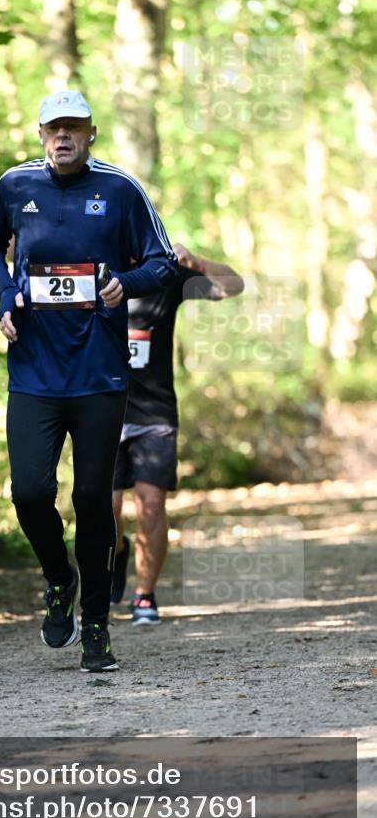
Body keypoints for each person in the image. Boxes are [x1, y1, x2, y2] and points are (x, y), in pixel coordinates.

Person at [0, 89, 180, 672]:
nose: (63, 137)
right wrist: (7, 296)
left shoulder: (120, 190)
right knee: (30, 493)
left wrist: (126, 284)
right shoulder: (15, 187)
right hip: (34, 370)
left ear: (91, 134)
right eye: (53, 128)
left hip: (99, 373)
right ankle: (58, 578)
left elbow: (162, 261)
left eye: (74, 128)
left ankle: (95, 627)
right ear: (41, 135)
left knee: (94, 500)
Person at [111, 242, 244, 623]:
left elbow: (234, 285)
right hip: (103, 409)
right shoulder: (95, 264)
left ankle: (144, 596)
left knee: (151, 505)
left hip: (154, 412)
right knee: (108, 511)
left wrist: (198, 262)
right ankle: (116, 550)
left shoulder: (166, 273)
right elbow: (19, 255)